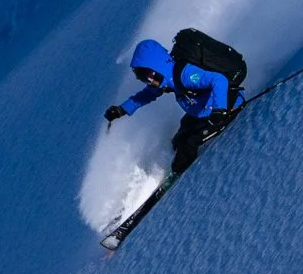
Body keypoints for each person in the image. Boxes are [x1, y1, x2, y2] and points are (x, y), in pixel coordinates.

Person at [105, 30, 248, 175]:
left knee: (189, 143)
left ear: (153, 70)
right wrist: (121, 109)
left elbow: (219, 80)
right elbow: (145, 95)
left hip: (224, 108)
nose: (143, 80)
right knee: (181, 134)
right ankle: (172, 163)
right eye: (140, 76)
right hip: (203, 110)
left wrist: (219, 110)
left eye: (143, 75)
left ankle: (182, 176)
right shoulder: (166, 80)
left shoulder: (185, 75)